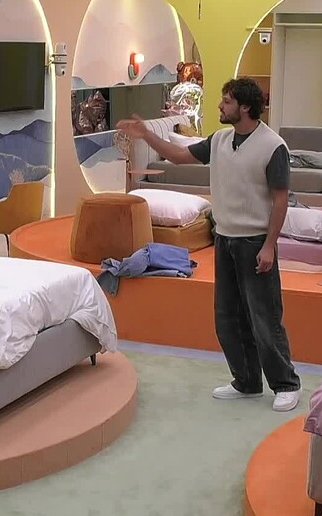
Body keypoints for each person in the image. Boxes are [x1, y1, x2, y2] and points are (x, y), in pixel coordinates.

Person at [117, 78, 302, 412]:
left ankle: (286, 383)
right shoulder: (219, 140)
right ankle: (246, 381)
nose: (220, 105)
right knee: (226, 317)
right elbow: (178, 155)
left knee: (264, 318)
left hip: (254, 242)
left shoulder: (273, 146)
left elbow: (280, 199)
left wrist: (269, 245)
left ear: (245, 107)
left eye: (226, 101)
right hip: (224, 240)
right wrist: (146, 134)